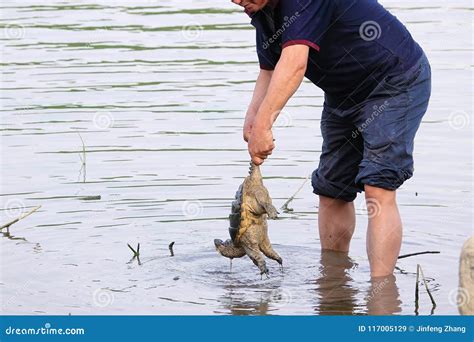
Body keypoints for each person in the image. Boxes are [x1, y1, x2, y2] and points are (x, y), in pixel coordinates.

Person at [230, 0, 432, 277]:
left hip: (394, 81)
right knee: (331, 189)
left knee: (378, 185)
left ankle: (381, 293)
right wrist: (253, 118)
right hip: (343, 93)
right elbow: (270, 69)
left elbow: (294, 63)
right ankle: (334, 279)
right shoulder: (261, 10)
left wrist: (265, 126)